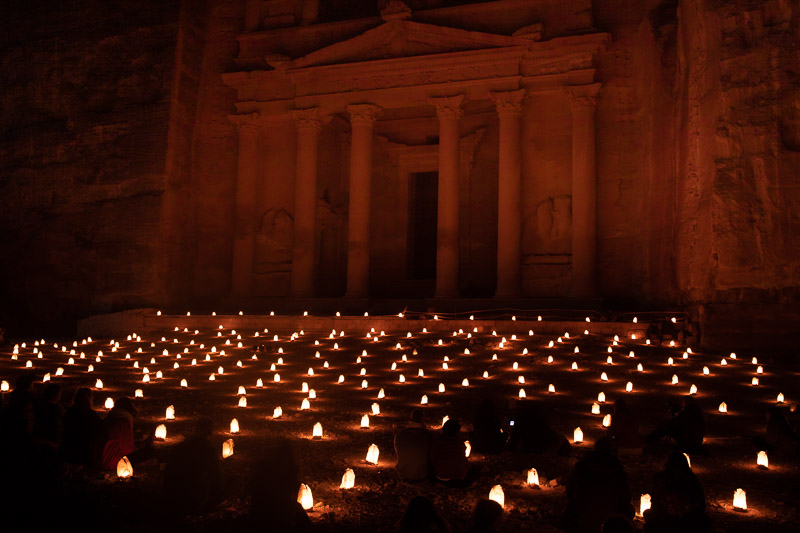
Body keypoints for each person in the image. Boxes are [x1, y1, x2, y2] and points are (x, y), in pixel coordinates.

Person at [563, 437, 635, 533]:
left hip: (583, 513)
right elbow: (626, 498)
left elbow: (569, 492)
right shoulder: (618, 472)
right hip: (611, 517)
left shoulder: (582, 468)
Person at [245, 438, 312, 532]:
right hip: (279, 516)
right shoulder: (291, 472)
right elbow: (291, 499)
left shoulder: (261, 469)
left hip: (258, 515)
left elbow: (249, 490)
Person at [164, 417, 222, 515]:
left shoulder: (179, 447)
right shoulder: (209, 451)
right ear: (210, 433)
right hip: (194, 501)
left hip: (171, 498)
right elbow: (217, 480)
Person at [643, 451, 710, 532]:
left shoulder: (660, 479)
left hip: (668, 519)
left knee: (648, 514)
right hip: (688, 519)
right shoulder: (691, 479)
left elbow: (655, 503)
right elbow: (701, 504)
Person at [98, 396, 154, 470]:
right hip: (112, 461)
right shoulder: (123, 422)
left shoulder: (108, 419)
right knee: (150, 452)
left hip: (99, 459)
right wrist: (139, 449)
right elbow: (127, 449)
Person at [61, 387, 103, 467]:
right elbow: (100, 430)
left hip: (69, 450)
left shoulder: (69, 412)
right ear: (89, 399)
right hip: (86, 451)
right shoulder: (91, 415)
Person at [429, 419, 469, 486]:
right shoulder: (459, 443)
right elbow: (462, 458)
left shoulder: (437, 442)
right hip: (458, 477)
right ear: (457, 431)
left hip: (441, 476)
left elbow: (432, 459)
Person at [394, 409, 431, 481]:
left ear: (410, 419)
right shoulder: (427, 437)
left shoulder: (399, 435)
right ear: (423, 420)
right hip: (422, 474)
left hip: (403, 474)